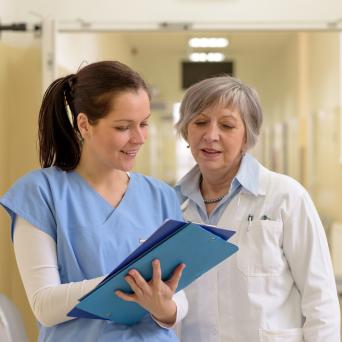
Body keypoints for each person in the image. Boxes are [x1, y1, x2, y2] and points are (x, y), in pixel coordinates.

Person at [0, 61, 188, 342]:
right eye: (123, 127)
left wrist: (165, 308)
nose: (139, 138)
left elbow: (179, 299)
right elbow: (44, 306)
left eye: (144, 124)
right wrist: (131, 284)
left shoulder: (161, 195)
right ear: (85, 124)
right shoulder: (40, 192)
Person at [174, 75, 340, 341]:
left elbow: (320, 297)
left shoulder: (286, 196)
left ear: (247, 137)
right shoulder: (171, 203)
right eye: (200, 122)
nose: (211, 135)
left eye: (227, 125)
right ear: (186, 130)